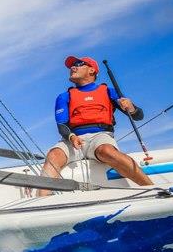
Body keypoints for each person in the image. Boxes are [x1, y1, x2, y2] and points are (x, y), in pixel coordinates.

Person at [37, 56, 153, 196]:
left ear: (92, 70)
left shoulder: (108, 91)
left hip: (101, 136)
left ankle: (153, 189)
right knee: (53, 155)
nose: (73, 68)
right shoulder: (64, 96)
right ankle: (42, 200)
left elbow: (138, 116)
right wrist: (71, 136)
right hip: (73, 138)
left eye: (79, 64)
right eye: (72, 66)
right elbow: (61, 125)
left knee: (107, 151)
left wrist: (132, 108)